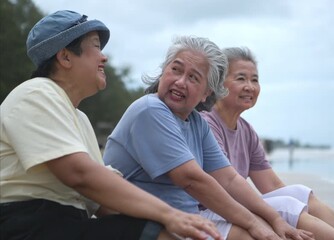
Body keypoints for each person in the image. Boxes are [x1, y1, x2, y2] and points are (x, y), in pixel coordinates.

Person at [0, 10, 221, 240]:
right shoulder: (36, 93)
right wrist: (169, 215)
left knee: (157, 230)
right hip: (27, 224)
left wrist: (165, 221)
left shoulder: (79, 119)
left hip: (65, 223)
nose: (104, 58)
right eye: (96, 47)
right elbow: (80, 174)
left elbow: (100, 200)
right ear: (65, 57)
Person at [103, 35, 316, 240]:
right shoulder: (150, 110)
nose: (180, 82)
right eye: (175, 70)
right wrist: (253, 223)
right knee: (250, 232)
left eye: (193, 77)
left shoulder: (196, 122)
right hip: (143, 224)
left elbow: (230, 179)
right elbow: (192, 180)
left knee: (278, 217)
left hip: (184, 217)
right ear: (163, 72)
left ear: (207, 93)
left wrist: (274, 219)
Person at [200, 46, 334, 240]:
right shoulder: (207, 123)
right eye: (241, 79)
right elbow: (226, 186)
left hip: (236, 204)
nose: (250, 86)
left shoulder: (246, 130)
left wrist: (301, 209)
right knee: (288, 204)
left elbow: (273, 186)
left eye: (254, 80)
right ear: (219, 83)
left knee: (297, 194)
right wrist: (285, 214)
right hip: (211, 207)